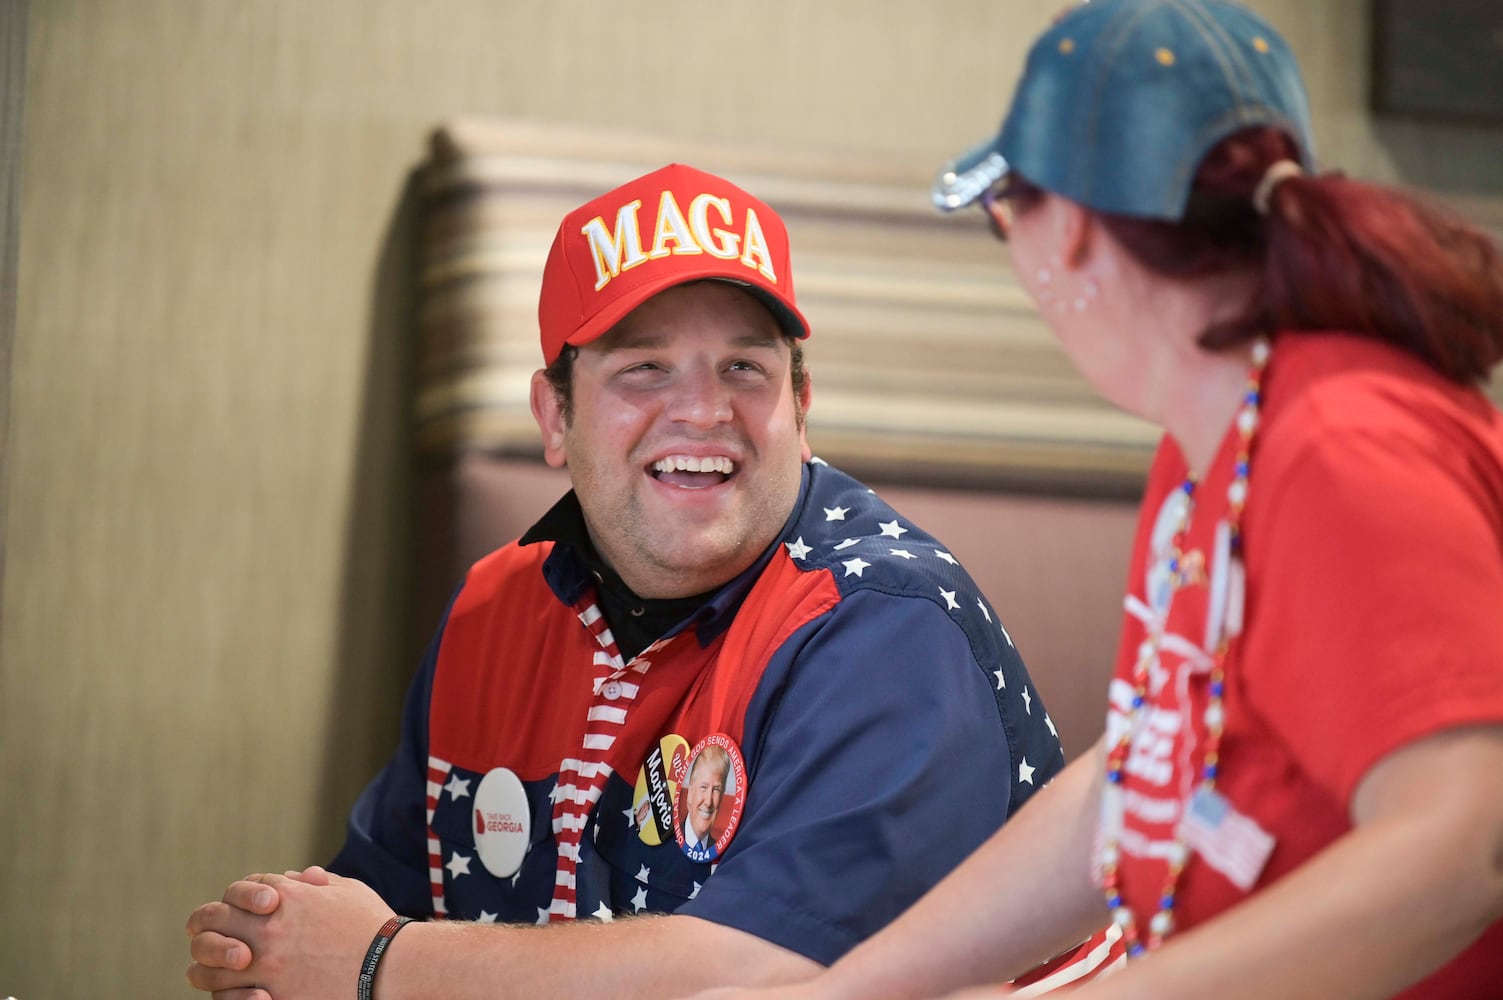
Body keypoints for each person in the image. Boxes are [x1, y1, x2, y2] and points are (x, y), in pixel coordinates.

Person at [690, 1, 1503, 998]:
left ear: (1067, 231)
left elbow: (1465, 848)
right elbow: (1136, 778)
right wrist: (847, 992)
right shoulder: (1209, 441)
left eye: (1005, 217)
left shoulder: (1343, 445)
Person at [184, 163, 1078, 999]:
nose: (701, 408)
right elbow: (366, 904)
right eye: (643, 367)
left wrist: (383, 964)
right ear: (554, 416)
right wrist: (281, 955)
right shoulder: (495, 609)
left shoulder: (885, 626)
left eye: (745, 368)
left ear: (800, 411)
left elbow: (768, 974)